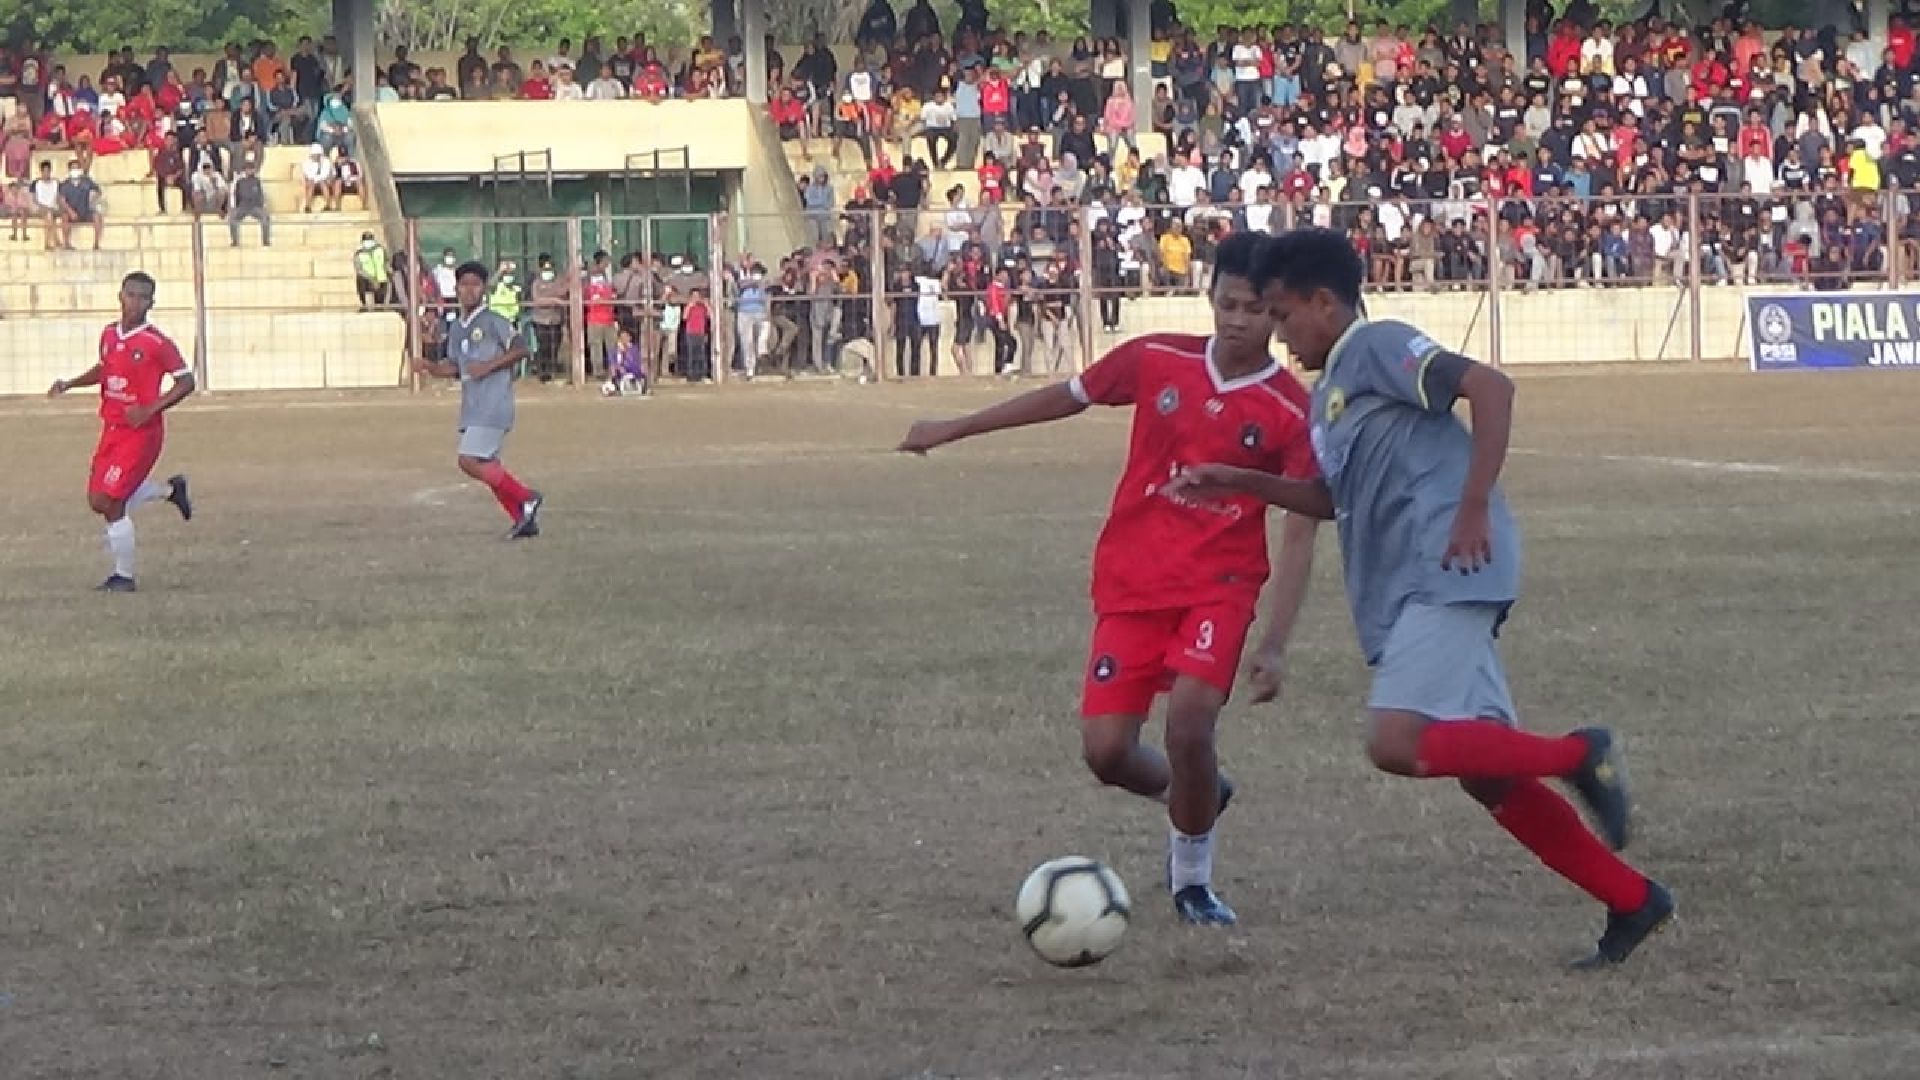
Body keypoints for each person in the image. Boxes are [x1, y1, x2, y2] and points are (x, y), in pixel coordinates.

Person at [1167, 227, 1673, 966]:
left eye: (1282, 316)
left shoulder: (1375, 346)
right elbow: (1333, 500)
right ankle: (1633, 900)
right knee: (1487, 774)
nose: (1277, 336)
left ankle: (1577, 753)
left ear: (1324, 302)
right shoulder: (1330, 393)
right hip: (1414, 587)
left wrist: (1472, 505)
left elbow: (1491, 387)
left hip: (1446, 565)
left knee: (1395, 741)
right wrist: (1242, 480)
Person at [897, 232, 1320, 925]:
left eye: (1253, 309)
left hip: (1222, 582)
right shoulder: (1156, 358)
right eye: (1226, 304)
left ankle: (1192, 882)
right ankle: (1198, 793)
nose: (1237, 320)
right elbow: (1067, 396)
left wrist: (1275, 642)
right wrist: (955, 427)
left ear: (1277, 314)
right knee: (1107, 754)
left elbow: (1301, 525)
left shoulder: (1288, 409)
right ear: (1209, 298)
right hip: (1132, 579)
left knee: (1189, 722)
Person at [47, 272, 195, 592]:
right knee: (97, 500)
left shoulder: (157, 343)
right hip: (112, 428)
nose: (136, 302)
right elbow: (106, 368)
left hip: (142, 433)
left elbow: (186, 382)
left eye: (143, 297)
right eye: (131, 295)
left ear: (152, 303)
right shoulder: (109, 335)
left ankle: (123, 577)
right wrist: (71, 383)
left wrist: (149, 409)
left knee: (111, 503)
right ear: (120, 296)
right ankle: (171, 492)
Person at [411, 261, 545, 540]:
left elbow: (521, 349)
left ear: (484, 289)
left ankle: (526, 497)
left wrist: (490, 366)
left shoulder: (494, 320)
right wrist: (429, 367)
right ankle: (523, 519)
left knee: (468, 461)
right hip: (473, 407)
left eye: (476, 284)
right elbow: (455, 367)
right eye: (464, 285)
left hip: (494, 404)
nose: (469, 290)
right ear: (456, 288)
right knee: (487, 465)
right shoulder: (459, 328)